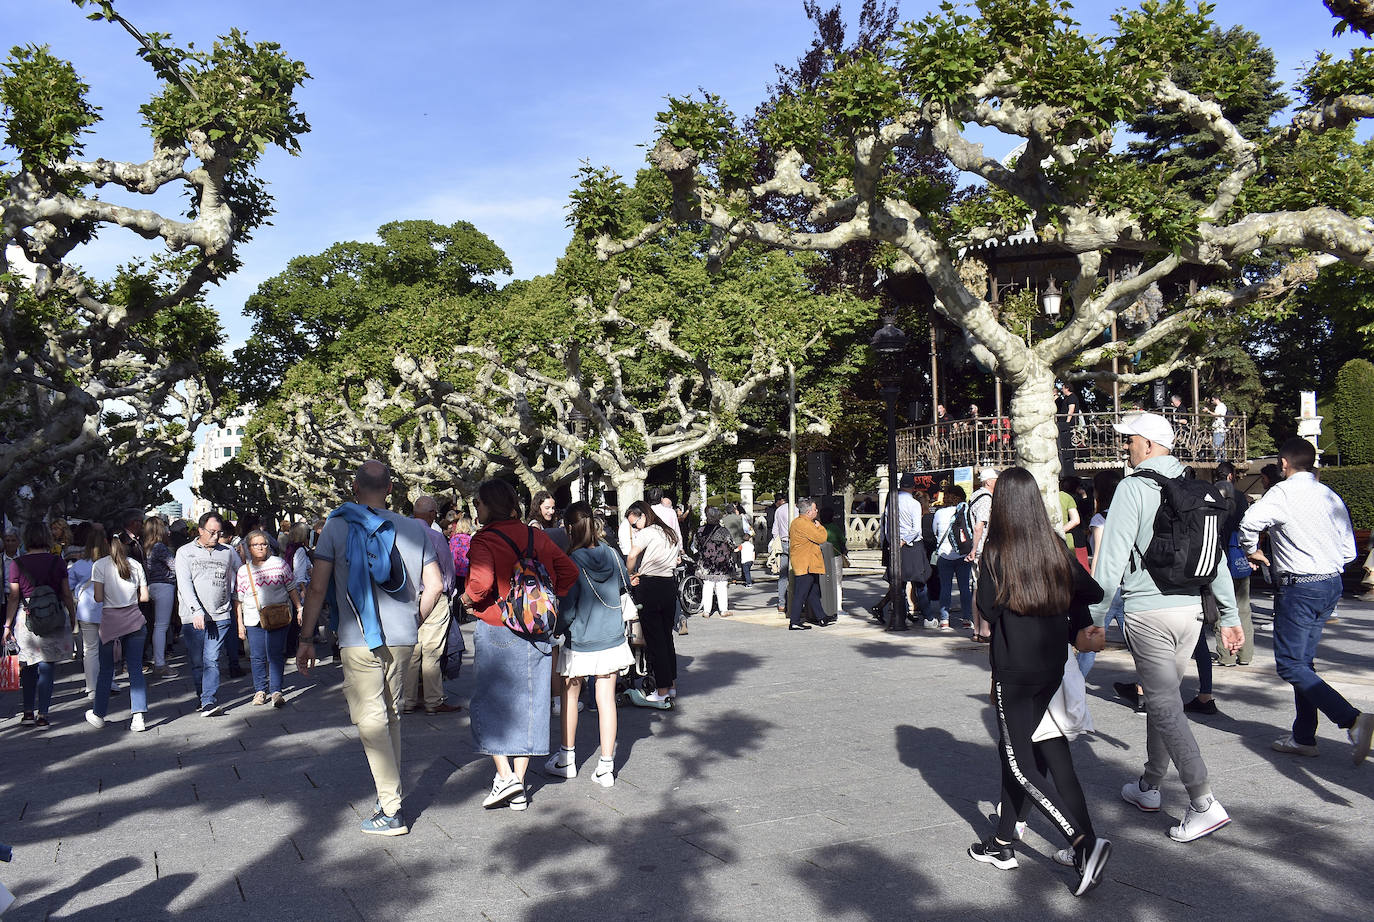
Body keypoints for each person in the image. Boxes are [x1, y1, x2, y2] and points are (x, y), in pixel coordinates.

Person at [1091, 412, 1243, 842]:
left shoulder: (1133, 487)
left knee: (1162, 706)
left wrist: (1095, 619)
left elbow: (1111, 560)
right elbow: (1213, 561)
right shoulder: (1201, 489)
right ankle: (1149, 786)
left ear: (1150, 445)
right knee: (1165, 701)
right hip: (1190, 612)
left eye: (1130, 440)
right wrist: (1228, 617)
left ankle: (1202, 802)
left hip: (1147, 611)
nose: (1126, 447)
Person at [967, 467, 1112, 896]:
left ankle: (1081, 841)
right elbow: (1093, 592)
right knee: (1035, 749)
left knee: (1017, 759)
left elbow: (987, 613)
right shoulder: (1055, 546)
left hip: (1012, 669)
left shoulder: (997, 550)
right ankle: (1003, 842)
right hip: (1051, 666)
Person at [298, 460, 445, 835]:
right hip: (402, 636)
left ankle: (392, 807)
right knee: (391, 714)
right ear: (391, 488)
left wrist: (306, 637)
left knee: (371, 719)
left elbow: (317, 588)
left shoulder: (337, 525)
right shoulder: (414, 527)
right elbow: (436, 585)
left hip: (359, 635)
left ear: (354, 487)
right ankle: (387, 797)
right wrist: (415, 618)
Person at [1240, 437, 1373, 763]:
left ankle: (1353, 719)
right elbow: (1349, 551)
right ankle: (1303, 737)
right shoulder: (1329, 494)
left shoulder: (1282, 493)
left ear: (1284, 463)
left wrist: (1252, 550)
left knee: (1289, 664)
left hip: (1299, 587)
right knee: (1304, 662)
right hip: (1329, 583)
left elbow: (1248, 522)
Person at [460, 479, 577, 812]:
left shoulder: (484, 539)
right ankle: (519, 784)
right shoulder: (535, 535)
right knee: (531, 702)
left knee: (489, 702)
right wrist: (549, 600)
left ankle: (505, 775)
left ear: (489, 505)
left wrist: (467, 599)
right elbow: (568, 571)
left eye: (479, 503)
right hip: (536, 630)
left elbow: (480, 584)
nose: (477, 510)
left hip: (497, 626)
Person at [545, 501, 634, 787]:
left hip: (580, 639)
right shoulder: (610, 552)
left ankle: (566, 758)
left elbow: (568, 608)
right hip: (611, 636)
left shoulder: (571, 561)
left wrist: (555, 629)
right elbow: (625, 586)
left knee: (571, 697)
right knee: (606, 700)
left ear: (570, 528)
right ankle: (606, 766)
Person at [4, 522, 77, 728]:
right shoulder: (57, 561)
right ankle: (43, 714)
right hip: (53, 616)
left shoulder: (17, 564)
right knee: (47, 666)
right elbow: (65, 593)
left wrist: (7, 626)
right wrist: (72, 616)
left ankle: (27, 712)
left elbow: (13, 597)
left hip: (26, 618)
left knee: (27, 666)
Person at [175, 512, 239, 717]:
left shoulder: (228, 551)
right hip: (193, 616)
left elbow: (242, 572)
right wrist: (196, 610)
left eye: (219, 532)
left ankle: (208, 700)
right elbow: (184, 584)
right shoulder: (184, 552)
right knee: (197, 661)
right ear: (200, 531)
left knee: (212, 659)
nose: (216, 536)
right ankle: (202, 696)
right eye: (211, 532)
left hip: (220, 614)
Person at [402, 495, 462, 715]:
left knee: (413, 651)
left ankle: (408, 700)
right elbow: (448, 571)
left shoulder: (400, 535)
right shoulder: (435, 537)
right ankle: (434, 700)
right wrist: (449, 592)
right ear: (431, 514)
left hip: (408, 596)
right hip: (434, 595)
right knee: (431, 651)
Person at [85, 535, 150, 732]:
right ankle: (138, 717)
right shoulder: (135, 565)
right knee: (136, 669)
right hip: (134, 620)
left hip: (111, 622)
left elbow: (97, 597)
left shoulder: (99, 565)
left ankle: (99, 714)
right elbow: (145, 597)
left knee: (106, 671)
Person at [235, 529, 301, 709]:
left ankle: (276, 690)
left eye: (264, 544)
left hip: (278, 615)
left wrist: (299, 608)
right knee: (257, 656)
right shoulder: (243, 571)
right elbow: (238, 600)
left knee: (275, 654)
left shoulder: (279, 564)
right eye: (256, 545)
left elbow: (291, 588)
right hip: (252, 618)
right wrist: (240, 624)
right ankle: (259, 691)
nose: (261, 548)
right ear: (248, 548)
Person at [624, 500, 681, 700]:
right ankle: (671, 685)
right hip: (668, 584)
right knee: (666, 637)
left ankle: (662, 690)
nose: (634, 528)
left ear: (643, 516)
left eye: (634, 523)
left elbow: (632, 555)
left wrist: (629, 573)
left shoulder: (648, 532)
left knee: (655, 639)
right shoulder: (670, 532)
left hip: (650, 586)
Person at [1078, 471, 1125, 678]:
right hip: (1129, 585)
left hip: (1107, 586)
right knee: (1139, 646)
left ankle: (1075, 685)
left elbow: (1098, 555)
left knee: (1091, 641)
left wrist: (1093, 588)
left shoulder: (1101, 518)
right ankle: (1145, 691)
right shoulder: (1128, 516)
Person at [1212, 461, 1253, 668]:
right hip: (1239, 554)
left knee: (1223, 606)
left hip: (1220, 556)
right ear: (1231, 476)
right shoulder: (1241, 498)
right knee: (1243, 606)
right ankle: (1246, 654)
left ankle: (1226, 654)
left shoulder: (1211, 495)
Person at [70, 525, 108, 697]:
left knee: (90, 649)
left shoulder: (79, 565)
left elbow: (70, 586)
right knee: (107, 647)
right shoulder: (111, 563)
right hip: (108, 608)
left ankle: (91, 687)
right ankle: (109, 680)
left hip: (86, 610)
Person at [932, 486, 972, 632]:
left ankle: (944, 620)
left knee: (945, 587)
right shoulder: (965, 512)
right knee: (964, 588)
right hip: (963, 554)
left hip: (944, 554)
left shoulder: (939, 513)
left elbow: (935, 531)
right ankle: (967, 619)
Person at [143, 517, 178, 679]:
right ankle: (160, 663)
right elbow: (175, 566)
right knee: (161, 626)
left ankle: (156, 660)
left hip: (150, 587)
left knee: (154, 625)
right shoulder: (160, 547)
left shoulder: (146, 547)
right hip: (164, 586)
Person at [787, 498, 830, 630]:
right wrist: (820, 527)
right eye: (815, 509)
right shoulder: (804, 524)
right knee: (801, 594)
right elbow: (821, 538)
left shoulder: (798, 522)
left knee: (813, 592)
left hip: (808, 563)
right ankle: (794, 621)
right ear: (808, 512)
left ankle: (821, 617)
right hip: (805, 564)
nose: (817, 511)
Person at [967, 469, 998, 640]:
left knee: (977, 589)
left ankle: (977, 629)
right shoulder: (986, 498)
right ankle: (985, 630)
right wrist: (975, 549)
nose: (998, 481)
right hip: (983, 549)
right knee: (985, 588)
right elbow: (980, 526)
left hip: (978, 549)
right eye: (995, 479)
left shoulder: (975, 495)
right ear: (988, 481)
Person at [694, 506, 736, 619]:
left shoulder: (700, 530)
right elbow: (732, 545)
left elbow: (696, 545)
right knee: (721, 586)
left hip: (706, 562)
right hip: (721, 563)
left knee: (707, 585)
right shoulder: (723, 531)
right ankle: (723, 610)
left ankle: (706, 611)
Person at [771, 496, 791, 613]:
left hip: (783, 542)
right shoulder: (798, 510)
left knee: (783, 576)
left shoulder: (779, 510)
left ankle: (782, 604)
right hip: (795, 543)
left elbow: (775, 530)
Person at [1055, 382, 1079, 476]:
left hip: (1067, 423)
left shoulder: (1072, 397)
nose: (1062, 390)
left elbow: (1071, 410)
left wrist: (1067, 422)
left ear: (1067, 388)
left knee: (1067, 441)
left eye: (1063, 388)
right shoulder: (1066, 398)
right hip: (1063, 422)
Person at [1208, 396, 1228, 460]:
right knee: (1218, 446)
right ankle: (1220, 460)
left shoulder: (1221, 406)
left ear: (1216, 399)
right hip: (1217, 429)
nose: (1212, 402)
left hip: (1219, 429)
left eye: (1213, 400)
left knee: (1217, 446)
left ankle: (1220, 460)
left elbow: (1217, 415)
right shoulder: (1219, 406)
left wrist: (1208, 411)